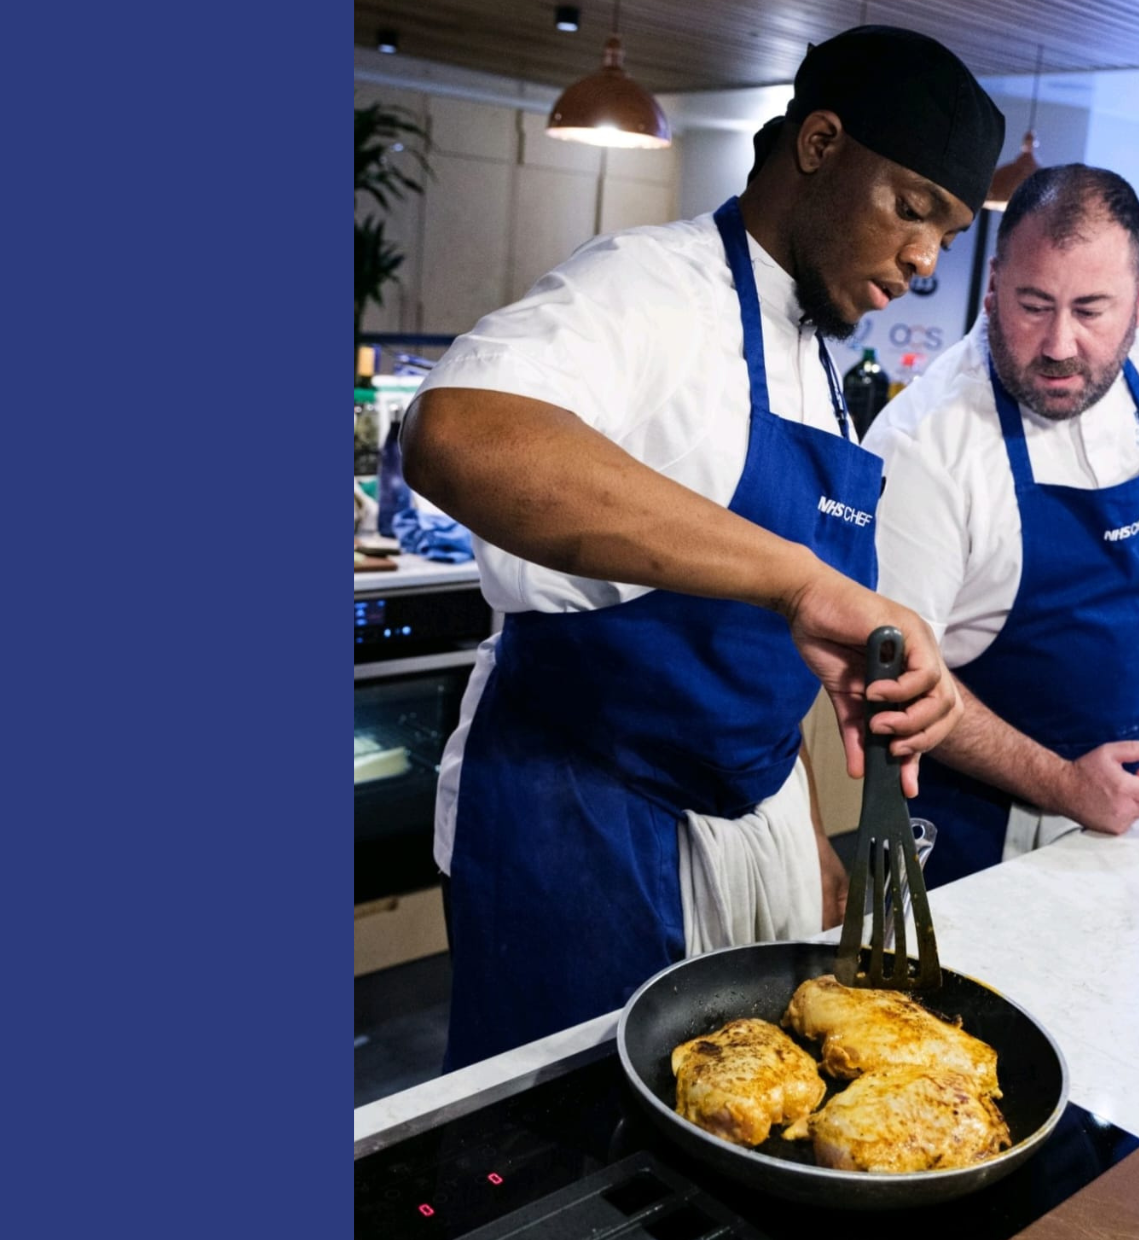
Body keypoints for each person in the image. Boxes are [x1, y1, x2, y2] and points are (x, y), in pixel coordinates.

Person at [399, 25, 1004, 1070]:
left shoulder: (814, 359)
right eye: (913, 211)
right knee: (576, 1166)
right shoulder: (650, 287)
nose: (922, 262)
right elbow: (454, 435)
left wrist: (808, 830)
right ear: (818, 143)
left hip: (746, 824)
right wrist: (802, 578)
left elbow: (767, 656)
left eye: (947, 236)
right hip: (580, 818)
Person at [861, 166, 1139, 887]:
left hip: (1128, 810)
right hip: (972, 836)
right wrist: (1065, 786)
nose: (1059, 345)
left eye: (1092, 310)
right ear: (993, 284)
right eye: (1032, 305)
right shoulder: (926, 444)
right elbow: (896, 679)